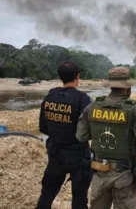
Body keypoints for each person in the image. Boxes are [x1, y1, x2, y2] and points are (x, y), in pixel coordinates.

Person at [76, 66, 136, 209]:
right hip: (124, 176)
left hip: (99, 173)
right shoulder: (134, 109)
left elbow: (81, 136)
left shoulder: (93, 107)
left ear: (110, 86)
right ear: (127, 88)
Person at [36, 61, 93, 209]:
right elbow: (90, 131)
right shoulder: (83, 99)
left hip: (55, 154)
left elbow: (43, 127)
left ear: (60, 77)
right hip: (78, 155)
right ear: (78, 77)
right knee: (79, 200)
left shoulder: (50, 96)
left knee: (47, 195)